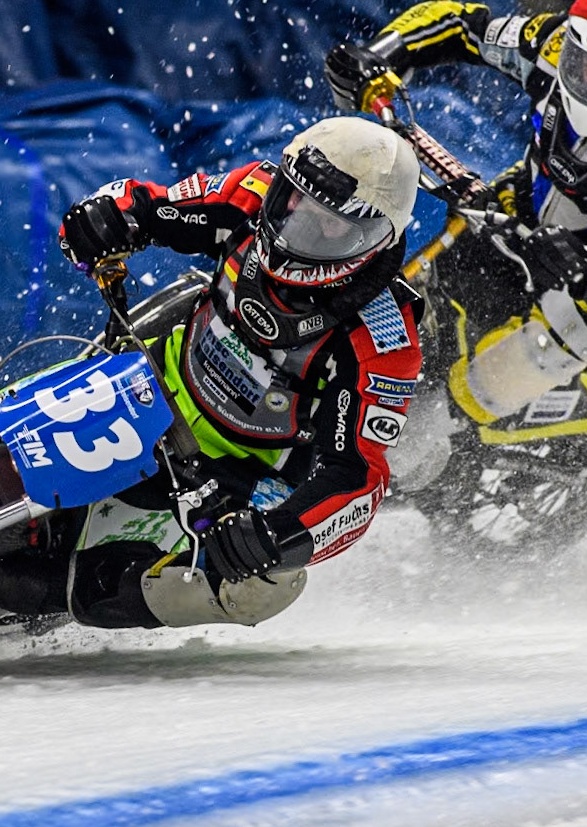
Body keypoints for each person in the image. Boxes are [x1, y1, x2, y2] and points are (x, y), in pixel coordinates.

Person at [49, 116, 426, 628]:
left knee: (262, 583)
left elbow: (357, 477)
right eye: (294, 206)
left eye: (331, 224)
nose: (299, 230)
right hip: (152, 383)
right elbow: (152, 204)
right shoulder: (250, 193)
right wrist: (110, 216)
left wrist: (278, 533)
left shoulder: (383, 339)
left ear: (374, 240)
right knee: (5, 415)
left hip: (235, 473)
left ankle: (74, 595)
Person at [323, 0, 587, 425]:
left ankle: (451, 430)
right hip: (515, 214)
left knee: (527, 362)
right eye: (585, 64)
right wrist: (381, 55)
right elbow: (460, 25)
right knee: (418, 286)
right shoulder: (552, 45)